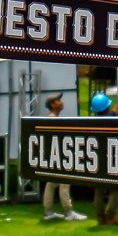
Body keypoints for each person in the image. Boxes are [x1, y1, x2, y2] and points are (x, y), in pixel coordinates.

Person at [41, 93, 87, 221]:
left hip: (53, 156)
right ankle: (69, 212)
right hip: (58, 156)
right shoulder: (52, 118)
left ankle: (48, 212)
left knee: (51, 183)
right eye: (58, 100)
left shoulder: (52, 117)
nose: (61, 102)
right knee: (64, 183)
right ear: (52, 104)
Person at [89, 92, 118, 226]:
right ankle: (110, 216)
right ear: (106, 108)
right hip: (110, 159)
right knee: (114, 188)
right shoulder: (110, 118)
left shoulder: (92, 122)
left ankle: (100, 218)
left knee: (98, 191)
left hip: (96, 160)